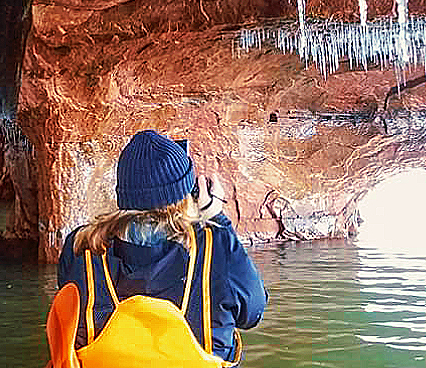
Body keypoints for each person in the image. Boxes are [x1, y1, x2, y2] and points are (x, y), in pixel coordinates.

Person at [53, 130, 267, 366]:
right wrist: (218, 221)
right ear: (189, 194)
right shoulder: (215, 247)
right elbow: (252, 314)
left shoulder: (80, 245)